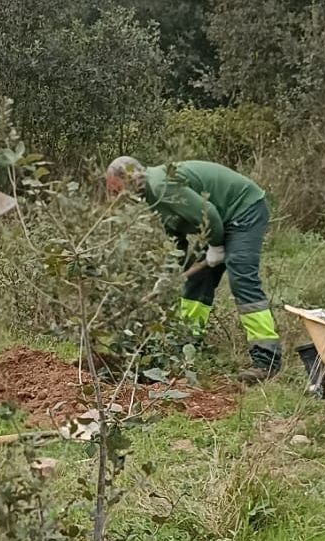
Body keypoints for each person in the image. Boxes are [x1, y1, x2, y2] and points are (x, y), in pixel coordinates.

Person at [105, 156, 282, 382]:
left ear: (127, 178)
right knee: (196, 282)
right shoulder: (152, 198)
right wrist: (171, 274)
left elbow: (209, 214)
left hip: (242, 210)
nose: (114, 197)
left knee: (242, 279)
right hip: (214, 222)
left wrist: (217, 247)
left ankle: (267, 360)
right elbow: (177, 240)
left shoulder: (160, 185)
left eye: (114, 190)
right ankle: (185, 348)